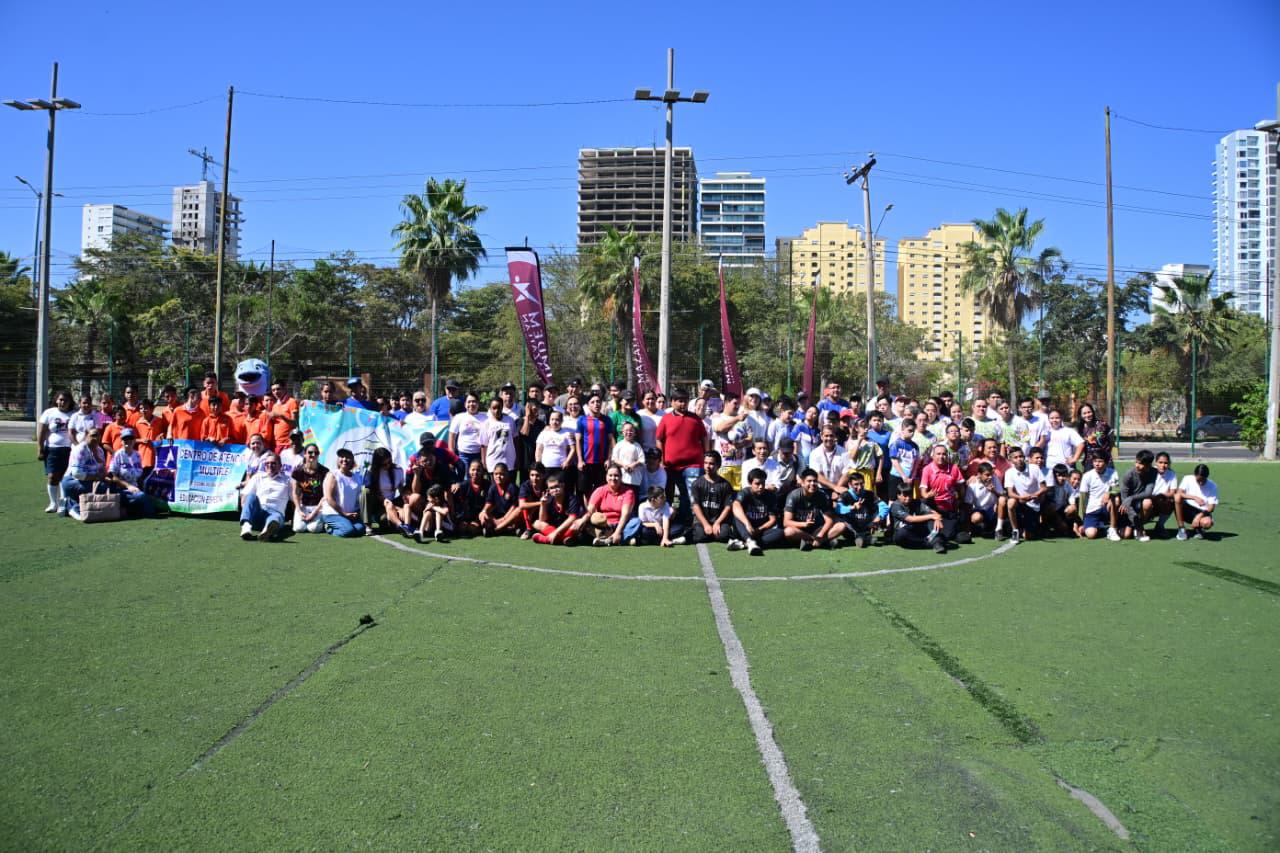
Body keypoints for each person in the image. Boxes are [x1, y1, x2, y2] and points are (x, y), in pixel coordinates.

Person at [656, 389, 708, 525]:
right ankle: (674, 520)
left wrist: (707, 456)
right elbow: (659, 439)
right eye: (679, 401)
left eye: (685, 400)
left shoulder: (695, 418)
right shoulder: (666, 419)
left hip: (693, 465)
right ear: (672, 402)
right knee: (670, 494)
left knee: (691, 494)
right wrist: (661, 460)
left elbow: (704, 437)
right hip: (670, 466)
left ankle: (692, 521)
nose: (683, 403)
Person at [783, 468, 847, 550]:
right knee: (788, 531)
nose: (812, 483)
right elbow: (786, 522)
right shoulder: (793, 496)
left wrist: (821, 534)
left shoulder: (821, 496)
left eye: (815, 481)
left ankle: (813, 542)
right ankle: (821, 541)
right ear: (802, 483)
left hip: (818, 529)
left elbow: (829, 520)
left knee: (841, 526)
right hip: (800, 530)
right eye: (809, 481)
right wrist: (804, 524)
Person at [573, 464, 635, 546]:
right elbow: (590, 509)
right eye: (610, 475)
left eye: (616, 476)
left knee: (636, 521)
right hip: (603, 525)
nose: (613, 478)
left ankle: (608, 539)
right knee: (584, 522)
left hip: (621, 524)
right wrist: (582, 520)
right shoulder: (600, 490)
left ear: (621, 477)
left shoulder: (628, 492)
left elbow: (625, 514)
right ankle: (622, 540)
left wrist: (617, 532)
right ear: (606, 477)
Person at [919, 443, 969, 546]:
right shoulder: (927, 469)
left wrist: (960, 499)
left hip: (949, 509)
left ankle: (947, 532)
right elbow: (923, 493)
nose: (941, 456)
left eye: (944, 454)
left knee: (949, 534)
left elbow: (961, 487)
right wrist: (929, 495)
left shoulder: (954, 468)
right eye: (938, 454)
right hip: (933, 508)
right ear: (933, 456)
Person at [37, 390, 75, 513]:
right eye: (60, 399)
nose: (62, 402)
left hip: (70, 450)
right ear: (56, 400)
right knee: (52, 476)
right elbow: (42, 432)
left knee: (65, 477)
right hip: (52, 449)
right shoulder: (49, 413)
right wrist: (40, 449)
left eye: (65, 400)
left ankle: (63, 503)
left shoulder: (74, 414)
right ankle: (53, 503)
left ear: (70, 402)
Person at [239, 453, 292, 541]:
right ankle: (246, 528)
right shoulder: (257, 477)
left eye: (273, 463)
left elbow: (295, 499)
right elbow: (245, 495)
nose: (270, 465)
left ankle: (267, 531)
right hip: (258, 513)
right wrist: (246, 511)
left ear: (280, 466)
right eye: (267, 463)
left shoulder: (288, 481)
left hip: (275, 513)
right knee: (251, 496)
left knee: (275, 518)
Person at [687, 451, 735, 546]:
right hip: (702, 520)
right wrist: (705, 524)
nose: (708, 466)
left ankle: (714, 532)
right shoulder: (697, 483)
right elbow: (695, 506)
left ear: (718, 465)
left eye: (711, 463)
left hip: (719, 521)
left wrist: (717, 523)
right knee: (700, 537)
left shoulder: (725, 485)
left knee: (724, 536)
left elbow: (728, 507)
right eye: (705, 463)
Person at [731, 468, 784, 555]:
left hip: (760, 530)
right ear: (750, 483)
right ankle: (749, 541)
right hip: (744, 529)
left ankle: (745, 544)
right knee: (737, 516)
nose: (761, 487)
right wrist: (747, 524)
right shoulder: (744, 493)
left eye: (763, 483)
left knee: (780, 532)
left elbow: (773, 519)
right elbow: (735, 505)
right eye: (757, 484)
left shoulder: (770, 496)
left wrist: (759, 530)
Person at [107, 429, 155, 518]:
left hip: (135, 487)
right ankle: (149, 515)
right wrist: (128, 486)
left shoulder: (137, 455)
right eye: (125, 439)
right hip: (122, 489)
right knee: (141, 497)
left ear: (134, 441)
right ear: (121, 441)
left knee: (150, 494)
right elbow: (113, 476)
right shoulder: (118, 455)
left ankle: (131, 511)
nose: (128, 441)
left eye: (130, 438)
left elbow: (139, 475)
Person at [888, 481, 947, 554]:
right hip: (903, 533)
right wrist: (932, 516)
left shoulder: (917, 502)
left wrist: (937, 519)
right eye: (905, 496)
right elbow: (910, 519)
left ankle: (935, 542)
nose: (908, 498)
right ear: (898, 495)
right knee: (902, 534)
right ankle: (932, 542)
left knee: (932, 520)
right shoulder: (895, 505)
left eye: (910, 495)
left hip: (916, 530)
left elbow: (935, 513)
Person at [1003, 447, 1045, 543]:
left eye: (1021, 456)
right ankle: (1015, 531)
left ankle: (1023, 528)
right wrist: (1021, 498)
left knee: (1027, 536)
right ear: (1011, 460)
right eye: (1016, 457)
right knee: (1011, 502)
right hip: (1019, 503)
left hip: (1033, 505)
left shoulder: (1034, 468)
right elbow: (1010, 493)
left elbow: (1044, 488)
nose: (1019, 459)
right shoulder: (1009, 473)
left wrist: (1032, 496)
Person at [320, 449, 365, 537]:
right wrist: (344, 513)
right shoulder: (332, 475)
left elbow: (357, 499)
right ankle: (329, 528)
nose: (344, 459)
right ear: (338, 459)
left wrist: (356, 512)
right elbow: (329, 498)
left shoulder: (356, 477)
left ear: (352, 460)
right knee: (348, 531)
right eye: (342, 457)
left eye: (348, 457)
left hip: (349, 515)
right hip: (333, 513)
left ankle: (345, 524)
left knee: (360, 529)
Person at [576, 393, 614, 497]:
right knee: (585, 490)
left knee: (601, 489)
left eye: (598, 401)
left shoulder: (607, 420)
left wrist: (609, 459)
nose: (596, 404)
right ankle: (588, 511)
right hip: (586, 462)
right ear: (588, 405)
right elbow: (578, 440)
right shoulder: (582, 420)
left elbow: (611, 441)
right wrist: (580, 460)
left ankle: (599, 512)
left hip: (602, 462)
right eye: (592, 402)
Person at [1078, 453, 1121, 541]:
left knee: (1115, 499)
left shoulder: (1113, 472)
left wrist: (1109, 493)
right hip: (1092, 509)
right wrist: (1081, 519)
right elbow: (1083, 497)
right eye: (1095, 461)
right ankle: (1101, 527)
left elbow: (1117, 488)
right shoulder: (1087, 476)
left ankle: (1112, 529)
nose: (1097, 464)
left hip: (1106, 507)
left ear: (1106, 462)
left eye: (1100, 461)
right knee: (1090, 534)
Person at [1119, 449, 1158, 541]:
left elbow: (1148, 493)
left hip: (1139, 503)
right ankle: (1136, 527)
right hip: (1127, 507)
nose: (1137, 466)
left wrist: (1131, 498)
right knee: (1126, 535)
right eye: (1136, 462)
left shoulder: (1153, 472)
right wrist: (1137, 523)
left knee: (1147, 502)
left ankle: (1140, 528)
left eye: (1141, 464)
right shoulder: (1128, 475)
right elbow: (1125, 500)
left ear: (1148, 465)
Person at [532, 474, 582, 545]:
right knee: (537, 523)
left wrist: (555, 533)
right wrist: (542, 504)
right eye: (551, 488)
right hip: (555, 528)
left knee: (576, 525)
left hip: (567, 527)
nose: (554, 490)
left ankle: (547, 539)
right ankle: (563, 539)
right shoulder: (549, 499)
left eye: (556, 486)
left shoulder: (572, 499)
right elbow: (542, 520)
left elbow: (572, 518)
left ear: (562, 486)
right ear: (548, 490)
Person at [367, 447, 407, 533]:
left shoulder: (398, 469)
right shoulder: (372, 472)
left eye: (389, 462)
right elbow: (377, 495)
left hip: (393, 502)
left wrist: (404, 505)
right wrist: (398, 509)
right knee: (384, 520)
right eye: (384, 464)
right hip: (380, 504)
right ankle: (399, 524)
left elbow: (401, 490)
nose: (388, 466)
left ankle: (403, 524)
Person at [291, 443, 328, 533]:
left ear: (318, 454)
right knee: (298, 528)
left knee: (313, 529)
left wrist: (315, 512)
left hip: (318, 506)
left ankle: (323, 521)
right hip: (303, 505)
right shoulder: (297, 471)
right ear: (305, 454)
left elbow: (326, 495)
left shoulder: (325, 472)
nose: (313, 455)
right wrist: (299, 510)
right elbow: (295, 493)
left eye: (316, 453)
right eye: (310, 452)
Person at [1174, 463, 1218, 540]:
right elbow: (1179, 493)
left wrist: (1199, 516)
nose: (1201, 483)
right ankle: (1181, 529)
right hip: (1186, 509)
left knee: (1207, 523)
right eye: (1198, 480)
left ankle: (1198, 529)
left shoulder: (1213, 486)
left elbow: (1211, 507)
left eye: (1203, 480)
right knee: (1177, 497)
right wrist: (1194, 497)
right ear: (1194, 475)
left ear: (1207, 477)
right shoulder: (1187, 479)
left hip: (1202, 512)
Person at [479, 463, 522, 536]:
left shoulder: (512, 487)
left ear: (507, 475)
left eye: (501, 474)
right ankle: (509, 529)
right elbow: (489, 503)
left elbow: (514, 506)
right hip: (497, 517)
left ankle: (496, 530)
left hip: (509, 517)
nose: (498, 476)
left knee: (518, 512)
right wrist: (484, 511)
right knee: (482, 514)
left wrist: (504, 519)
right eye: (496, 474)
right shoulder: (492, 488)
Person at [964, 462, 1004, 539]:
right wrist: (967, 527)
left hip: (993, 510)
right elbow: (968, 505)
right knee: (976, 517)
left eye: (991, 474)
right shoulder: (972, 485)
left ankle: (999, 529)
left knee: (1002, 500)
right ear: (979, 474)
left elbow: (1003, 496)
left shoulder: (995, 479)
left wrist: (994, 491)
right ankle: (980, 527)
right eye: (987, 475)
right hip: (979, 510)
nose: (990, 477)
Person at [808, 425, 849, 499]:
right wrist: (835, 487)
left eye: (831, 436)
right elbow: (817, 475)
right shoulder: (815, 453)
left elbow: (846, 473)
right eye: (826, 436)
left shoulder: (844, 452)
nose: (829, 438)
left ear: (835, 437)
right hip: (821, 490)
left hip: (840, 488)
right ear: (821, 436)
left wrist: (837, 490)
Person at [480, 398, 517, 475]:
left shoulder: (510, 420)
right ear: (490, 409)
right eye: (494, 408)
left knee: (510, 486)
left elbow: (516, 439)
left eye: (499, 407)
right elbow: (484, 445)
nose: (496, 410)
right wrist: (484, 461)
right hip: (493, 460)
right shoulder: (486, 424)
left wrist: (517, 458)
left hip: (509, 460)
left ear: (502, 407)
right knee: (495, 486)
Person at [448, 394, 486, 469]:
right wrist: (452, 456)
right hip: (463, 455)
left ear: (478, 404)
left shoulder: (485, 417)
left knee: (478, 478)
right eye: (469, 402)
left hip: (480, 454)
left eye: (474, 401)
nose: (471, 404)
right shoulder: (458, 417)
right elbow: (451, 437)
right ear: (465, 404)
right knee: (465, 479)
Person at [887, 419, 922, 500]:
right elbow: (894, 461)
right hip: (896, 476)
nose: (912, 433)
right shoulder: (896, 444)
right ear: (902, 430)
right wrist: (904, 476)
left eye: (913, 431)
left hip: (909, 479)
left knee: (908, 500)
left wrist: (912, 477)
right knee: (893, 500)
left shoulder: (915, 446)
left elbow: (916, 463)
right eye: (909, 430)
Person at [611, 421, 646, 496]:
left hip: (635, 479)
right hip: (622, 478)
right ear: (622, 432)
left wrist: (633, 465)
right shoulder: (619, 445)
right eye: (626, 431)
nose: (629, 432)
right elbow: (614, 459)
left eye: (631, 431)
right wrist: (624, 465)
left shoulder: (637, 446)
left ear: (634, 433)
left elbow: (642, 459)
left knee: (634, 498)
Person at [132, 398, 166, 475]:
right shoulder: (138, 424)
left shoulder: (159, 421)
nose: (143, 410)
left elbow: (164, 434)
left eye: (146, 408)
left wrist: (161, 436)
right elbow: (133, 440)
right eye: (141, 408)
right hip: (143, 457)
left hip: (157, 456)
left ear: (152, 409)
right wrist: (141, 440)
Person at [1074, 403, 1113, 468]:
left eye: (1089, 412)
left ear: (1093, 412)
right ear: (1080, 415)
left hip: (1105, 461)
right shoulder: (1080, 429)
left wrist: (1107, 452)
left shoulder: (1102, 425)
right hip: (1089, 462)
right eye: (1084, 413)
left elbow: (1111, 440)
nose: (1087, 415)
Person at [515, 402, 545, 481]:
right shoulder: (520, 421)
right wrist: (527, 417)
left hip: (536, 458)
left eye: (537, 409)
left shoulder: (541, 424)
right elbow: (524, 433)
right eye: (533, 409)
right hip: (524, 458)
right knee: (524, 482)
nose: (535, 411)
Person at [267, 380, 300, 454]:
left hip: (288, 444)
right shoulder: (275, 405)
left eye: (278, 389)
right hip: (277, 444)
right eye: (273, 390)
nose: (276, 392)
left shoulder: (291, 402)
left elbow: (295, 423)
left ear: (284, 389)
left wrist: (281, 415)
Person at [516, 465, 548, 536]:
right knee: (519, 510)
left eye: (537, 475)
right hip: (530, 513)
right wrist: (541, 503)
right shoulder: (525, 486)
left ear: (543, 475)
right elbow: (522, 505)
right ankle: (528, 528)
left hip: (546, 512)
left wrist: (542, 504)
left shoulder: (548, 486)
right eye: (532, 475)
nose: (534, 478)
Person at [1150, 452, 1177, 534]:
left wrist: (1161, 495)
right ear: (1156, 462)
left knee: (1171, 501)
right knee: (1146, 503)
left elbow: (1172, 492)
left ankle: (1159, 526)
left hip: (1161, 499)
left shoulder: (1171, 474)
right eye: (1160, 462)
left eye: (1165, 463)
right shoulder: (1150, 471)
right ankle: (1139, 526)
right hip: (1149, 498)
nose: (1163, 465)